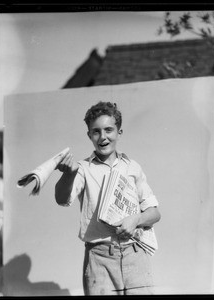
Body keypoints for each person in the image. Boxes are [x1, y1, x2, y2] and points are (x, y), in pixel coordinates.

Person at [55, 101, 161, 295]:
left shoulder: (133, 167)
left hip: (135, 255)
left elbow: (154, 213)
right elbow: (62, 199)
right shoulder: (82, 169)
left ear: (119, 132)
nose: (103, 137)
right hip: (99, 258)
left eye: (109, 130)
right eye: (96, 131)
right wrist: (68, 174)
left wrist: (136, 219)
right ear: (89, 135)